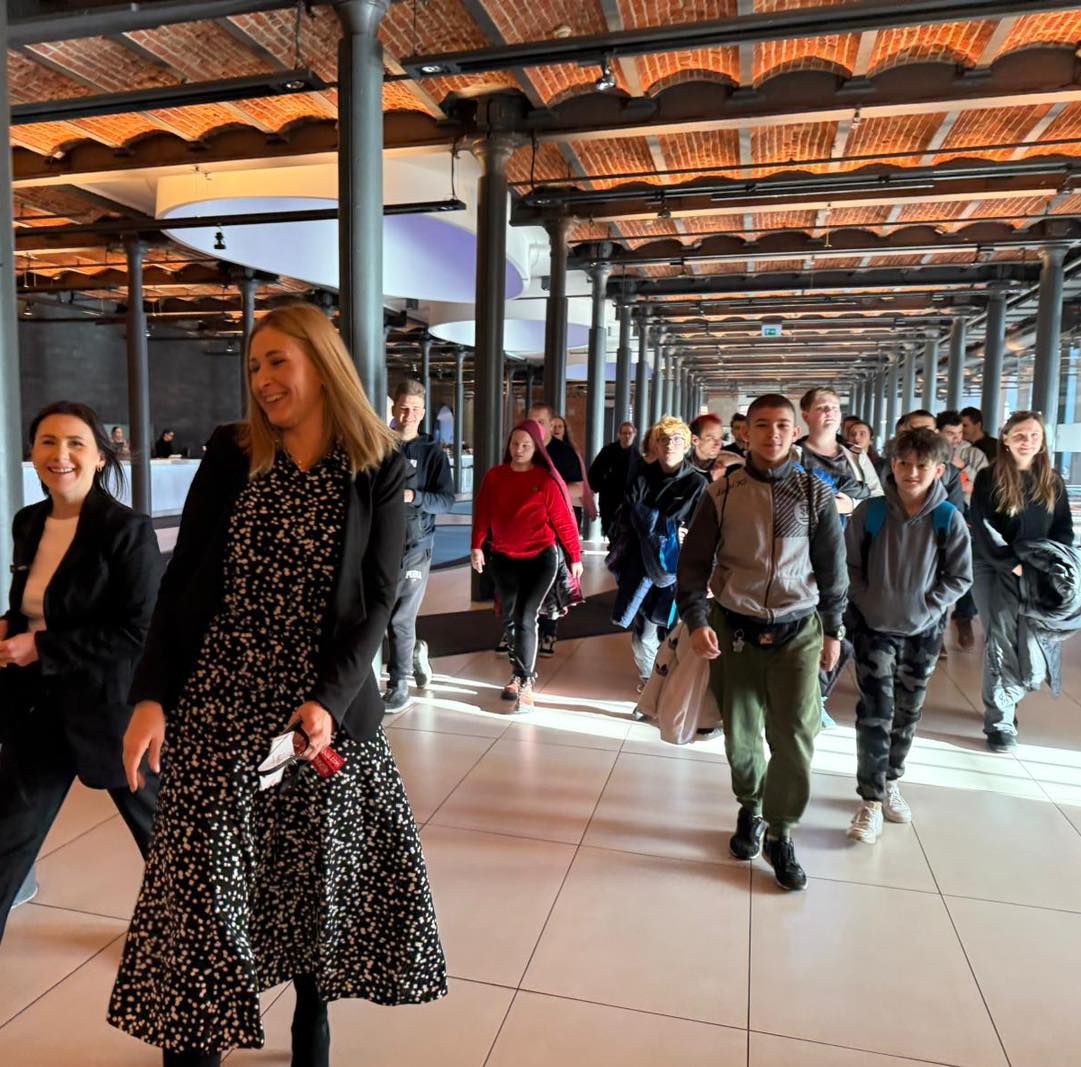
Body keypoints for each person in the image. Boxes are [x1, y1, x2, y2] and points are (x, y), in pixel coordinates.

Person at [111, 303, 447, 1065]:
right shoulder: (234, 453)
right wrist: (152, 694)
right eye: (254, 365)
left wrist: (328, 699)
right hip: (218, 701)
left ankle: (311, 1010)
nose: (262, 379)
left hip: (313, 714)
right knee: (200, 891)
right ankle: (194, 1038)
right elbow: (183, 580)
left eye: (277, 361)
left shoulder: (376, 464)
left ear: (322, 366)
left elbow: (377, 597)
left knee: (308, 876)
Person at [0, 401, 162, 943]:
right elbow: (30, 606)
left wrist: (41, 647)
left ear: (99, 457)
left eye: (75, 443)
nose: (60, 455)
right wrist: (9, 627)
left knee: (163, 841)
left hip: (111, 712)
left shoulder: (126, 530)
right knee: (8, 835)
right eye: (47, 442)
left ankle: (202, 950)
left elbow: (138, 630)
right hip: (37, 706)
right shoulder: (29, 522)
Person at [677, 394, 846, 891]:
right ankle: (750, 807)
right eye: (762, 425)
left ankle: (781, 831)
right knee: (742, 735)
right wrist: (696, 620)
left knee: (795, 736)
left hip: (799, 630)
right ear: (745, 433)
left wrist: (833, 630)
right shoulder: (722, 493)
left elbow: (833, 570)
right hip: (736, 630)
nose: (773, 434)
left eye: (782, 426)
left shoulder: (815, 494)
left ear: (796, 432)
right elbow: (693, 565)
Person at [845, 428, 972, 844]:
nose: (911, 472)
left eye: (922, 465)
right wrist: (867, 601)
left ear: (938, 470)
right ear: (892, 465)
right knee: (876, 711)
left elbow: (959, 576)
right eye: (903, 463)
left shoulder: (947, 518)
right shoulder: (871, 513)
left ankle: (891, 779)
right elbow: (850, 566)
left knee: (908, 711)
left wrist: (928, 606)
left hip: (923, 632)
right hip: (874, 629)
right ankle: (870, 799)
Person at [969, 410, 1073, 752]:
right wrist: (1011, 564)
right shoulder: (989, 477)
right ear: (1006, 439)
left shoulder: (1052, 481)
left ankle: (1008, 697)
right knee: (1000, 638)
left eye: (1034, 436)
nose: (1027, 441)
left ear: (1042, 442)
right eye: (1020, 435)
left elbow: (1063, 529)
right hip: (994, 565)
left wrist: (1053, 564)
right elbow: (983, 526)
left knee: (1029, 639)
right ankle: (1000, 721)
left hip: (1036, 568)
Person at [471, 420, 583, 712]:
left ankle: (525, 682)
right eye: (515, 444)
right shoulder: (495, 476)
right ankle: (517, 673)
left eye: (526, 445)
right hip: (503, 558)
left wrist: (575, 556)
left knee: (525, 616)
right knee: (510, 617)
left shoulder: (545, 480)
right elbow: (483, 513)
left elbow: (564, 522)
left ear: (536, 449)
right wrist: (476, 546)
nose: (519, 449)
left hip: (540, 559)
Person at [607, 416, 706, 690]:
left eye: (676, 440)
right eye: (663, 440)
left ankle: (669, 685)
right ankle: (650, 682)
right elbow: (626, 517)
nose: (669, 445)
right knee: (643, 635)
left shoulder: (697, 483)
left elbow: (705, 529)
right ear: (656, 445)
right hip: (640, 567)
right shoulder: (642, 477)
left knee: (674, 633)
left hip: (679, 569)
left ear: (686, 445)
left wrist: (682, 534)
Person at [382, 380, 455, 713]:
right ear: (394, 409)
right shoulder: (380, 446)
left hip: (416, 545)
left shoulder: (433, 453)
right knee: (380, 614)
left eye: (415, 409)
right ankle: (414, 653)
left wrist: (415, 496)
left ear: (423, 413)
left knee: (401, 617)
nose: (408, 414)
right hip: (381, 544)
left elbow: (446, 500)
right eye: (403, 408)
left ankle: (398, 685)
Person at [527, 404, 585, 655]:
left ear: (551, 425)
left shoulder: (564, 453)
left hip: (555, 527)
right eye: (532, 421)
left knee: (551, 580)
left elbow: (579, 487)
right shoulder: (524, 448)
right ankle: (519, 628)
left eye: (541, 421)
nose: (536, 426)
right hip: (526, 527)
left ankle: (549, 630)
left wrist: (548, 496)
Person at [936, 410, 988, 650]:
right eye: (950, 433)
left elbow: (983, 486)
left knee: (967, 564)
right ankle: (936, 629)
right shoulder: (933, 452)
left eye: (959, 433)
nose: (956, 438)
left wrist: (963, 468)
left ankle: (964, 616)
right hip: (939, 513)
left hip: (969, 515)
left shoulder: (974, 454)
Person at [797, 387, 883, 515]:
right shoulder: (793, 454)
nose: (830, 411)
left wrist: (851, 506)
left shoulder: (856, 454)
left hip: (851, 527)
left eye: (835, 408)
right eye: (821, 407)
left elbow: (878, 497)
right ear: (806, 416)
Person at [588, 421, 636, 538]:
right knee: (610, 531)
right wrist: (593, 489)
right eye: (624, 433)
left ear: (634, 434)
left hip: (627, 503)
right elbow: (595, 471)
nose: (627, 436)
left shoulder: (637, 456)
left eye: (629, 433)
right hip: (608, 500)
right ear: (619, 435)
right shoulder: (608, 451)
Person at [688, 413, 727, 481]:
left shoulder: (729, 467)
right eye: (712, 438)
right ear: (695, 440)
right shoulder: (681, 468)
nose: (718, 444)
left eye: (720, 438)